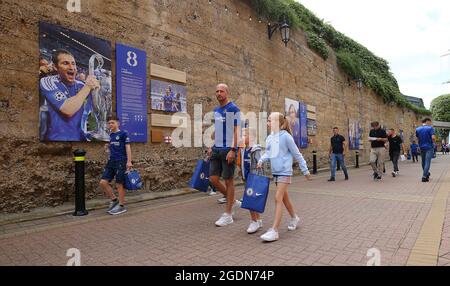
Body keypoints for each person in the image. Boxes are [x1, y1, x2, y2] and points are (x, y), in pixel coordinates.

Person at [257, 112, 312, 242]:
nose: (268, 123)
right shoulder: (270, 137)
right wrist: (261, 160)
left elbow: (297, 154)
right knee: (284, 198)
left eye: (270, 121)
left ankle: (274, 230)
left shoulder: (286, 137)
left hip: (285, 172)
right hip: (276, 172)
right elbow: (269, 152)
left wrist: (305, 170)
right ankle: (294, 217)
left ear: (278, 123)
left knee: (278, 198)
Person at [39, 49, 98, 141]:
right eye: (65, 63)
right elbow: (67, 110)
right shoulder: (48, 82)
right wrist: (88, 87)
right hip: (57, 141)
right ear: (55, 67)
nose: (72, 67)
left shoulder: (81, 85)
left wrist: (98, 90)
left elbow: (96, 110)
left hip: (81, 139)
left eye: (73, 63)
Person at [207, 83, 242, 227]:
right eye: (216, 91)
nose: (218, 93)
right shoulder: (216, 110)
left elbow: (237, 130)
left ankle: (228, 215)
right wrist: (211, 145)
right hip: (216, 149)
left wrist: (233, 149)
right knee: (213, 180)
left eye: (221, 91)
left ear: (227, 92)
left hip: (228, 149)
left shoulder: (234, 109)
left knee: (228, 181)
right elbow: (217, 130)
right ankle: (232, 201)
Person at [99, 116, 133, 215]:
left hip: (121, 161)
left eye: (112, 123)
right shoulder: (111, 135)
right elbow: (111, 150)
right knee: (103, 182)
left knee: (119, 184)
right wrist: (107, 148)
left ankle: (121, 206)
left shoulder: (123, 134)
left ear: (118, 123)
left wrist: (129, 161)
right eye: (109, 123)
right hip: (111, 161)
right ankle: (114, 200)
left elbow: (128, 148)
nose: (110, 125)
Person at [237, 128, 264, 234]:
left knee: (249, 201)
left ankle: (254, 221)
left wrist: (258, 177)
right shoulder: (243, 149)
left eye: (245, 135)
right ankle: (258, 220)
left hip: (253, 179)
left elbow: (259, 163)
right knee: (251, 200)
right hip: (246, 178)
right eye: (242, 135)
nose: (242, 137)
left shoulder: (255, 149)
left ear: (252, 137)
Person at [416, 118, 436, 182]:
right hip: (429, 147)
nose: (430, 124)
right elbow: (433, 137)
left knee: (423, 162)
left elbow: (417, 138)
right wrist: (433, 141)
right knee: (427, 162)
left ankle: (426, 174)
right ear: (427, 121)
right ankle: (424, 176)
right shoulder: (430, 128)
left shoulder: (418, 129)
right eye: (430, 122)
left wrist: (419, 145)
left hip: (421, 147)